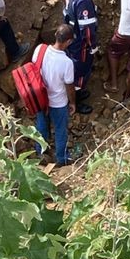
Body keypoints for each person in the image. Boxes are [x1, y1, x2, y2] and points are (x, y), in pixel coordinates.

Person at [34, 24, 76, 167]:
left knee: (41, 125)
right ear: (69, 42)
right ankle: (61, 158)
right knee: (60, 130)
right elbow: (69, 87)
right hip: (58, 102)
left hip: (40, 98)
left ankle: (40, 152)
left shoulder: (40, 50)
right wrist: (73, 103)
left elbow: (34, 70)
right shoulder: (67, 63)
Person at [61, 0, 99, 115]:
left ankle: (76, 93)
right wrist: (93, 46)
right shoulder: (83, 0)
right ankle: (76, 99)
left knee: (73, 66)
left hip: (70, 33)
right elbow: (87, 29)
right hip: (80, 41)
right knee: (80, 71)